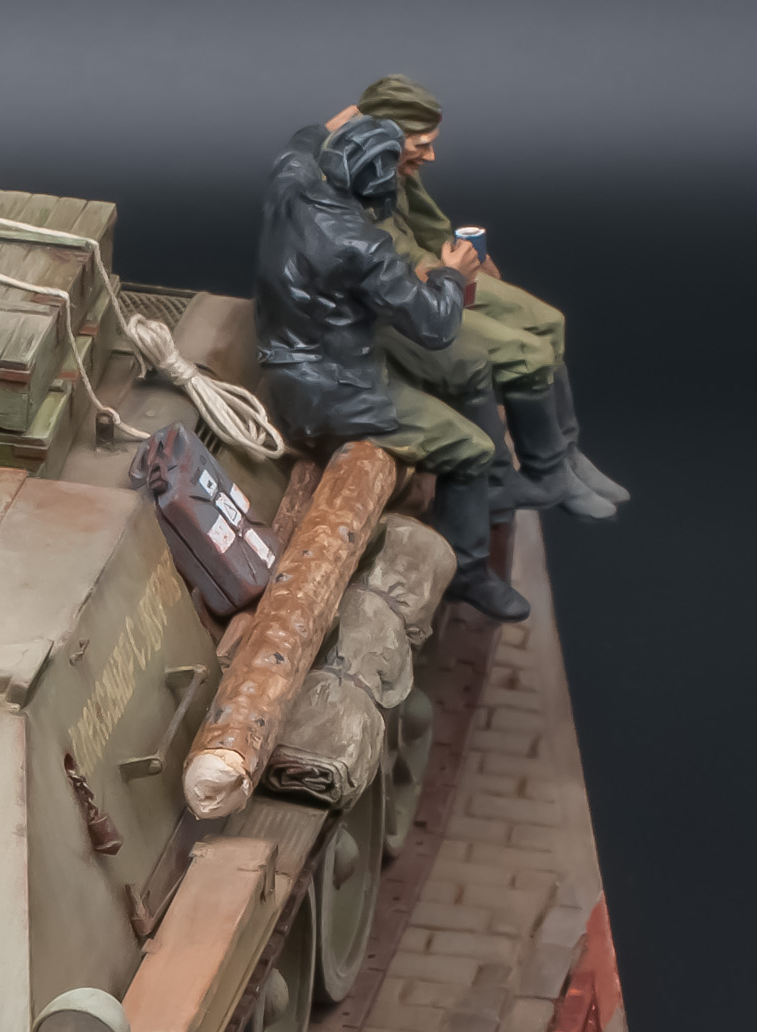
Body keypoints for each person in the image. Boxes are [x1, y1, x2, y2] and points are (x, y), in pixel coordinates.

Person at [253, 110, 531, 621]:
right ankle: (468, 575)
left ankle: (485, 495)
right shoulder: (364, 246)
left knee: (457, 370)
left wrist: (353, 117)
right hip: (336, 391)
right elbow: (435, 326)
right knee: (471, 449)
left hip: (289, 358)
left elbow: (305, 136)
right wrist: (452, 274)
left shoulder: (289, 181)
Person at [353, 73, 628, 520]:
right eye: (421, 144)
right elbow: (386, 269)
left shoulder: (392, 163)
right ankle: (546, 471)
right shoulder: (353, 181)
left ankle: (564, 452)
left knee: (547, 321)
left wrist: (462, 254)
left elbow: (424, 219)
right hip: (405, 299)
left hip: (435, 270)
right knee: (527, 354)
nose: (430, 155)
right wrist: (449, 274)